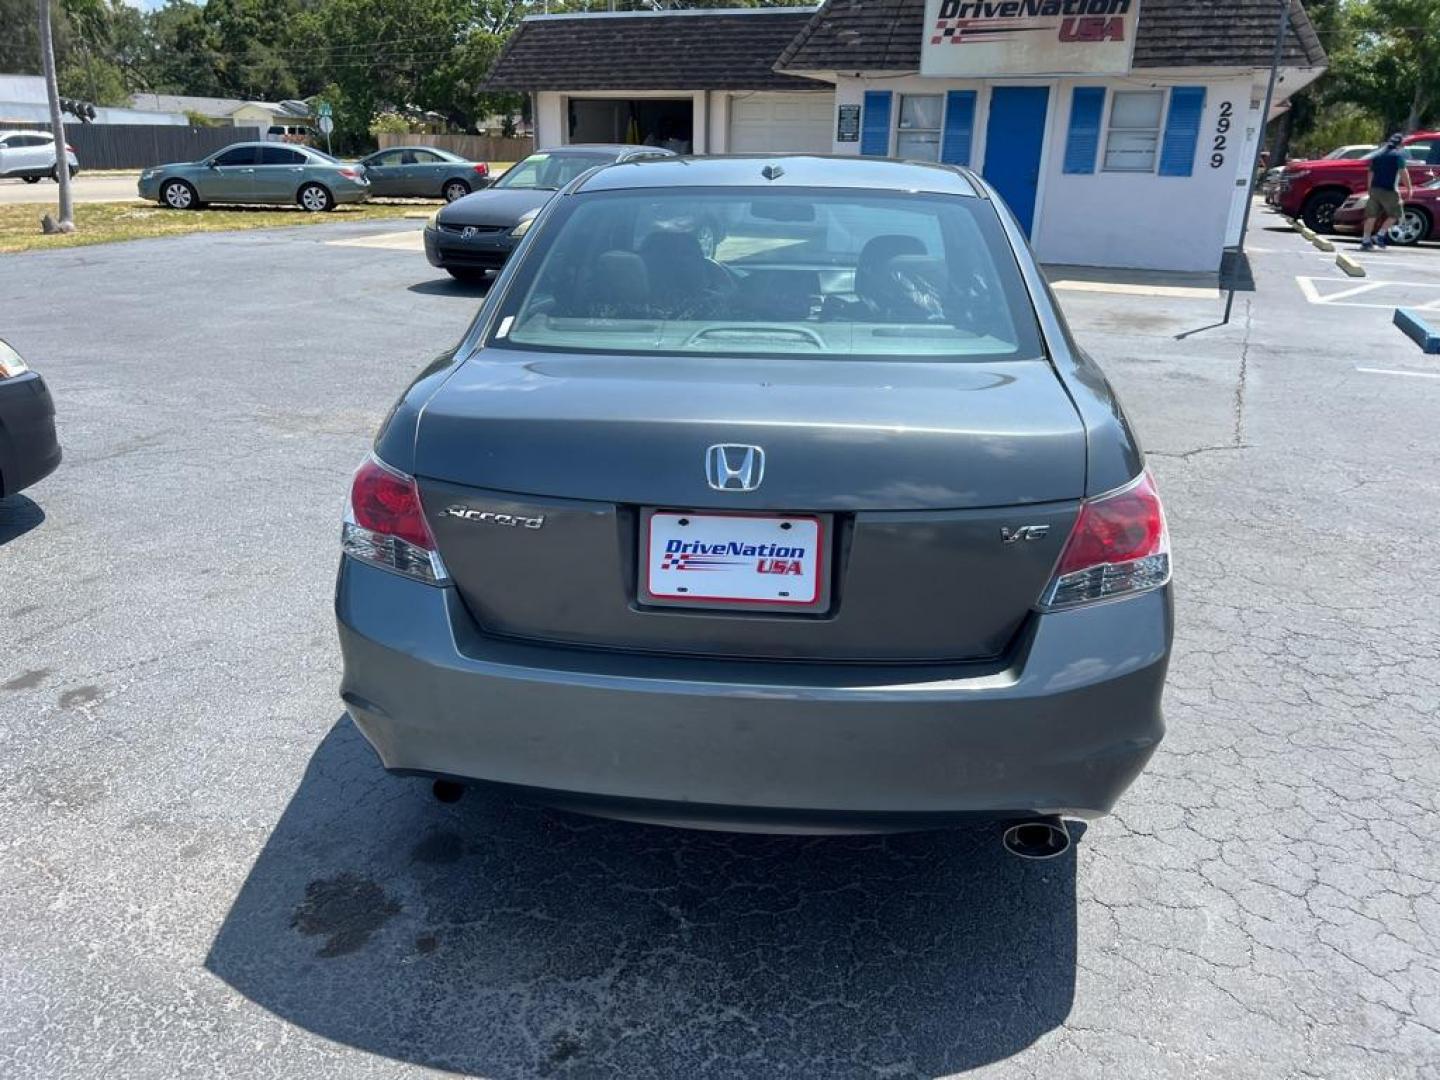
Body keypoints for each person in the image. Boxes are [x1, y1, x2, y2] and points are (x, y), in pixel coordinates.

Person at [1361, 133, 1412, 251]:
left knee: (1371, 216)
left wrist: (1369, 188)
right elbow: (1403, 173)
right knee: (1395, 214)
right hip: (1390, 190)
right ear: (1400, 144)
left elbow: (1370, 173)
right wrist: (1409, 188)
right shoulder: (1398, 156)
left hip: (1374, 189)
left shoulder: (1378, 156)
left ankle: (1365, 240)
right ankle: (1380, 235)